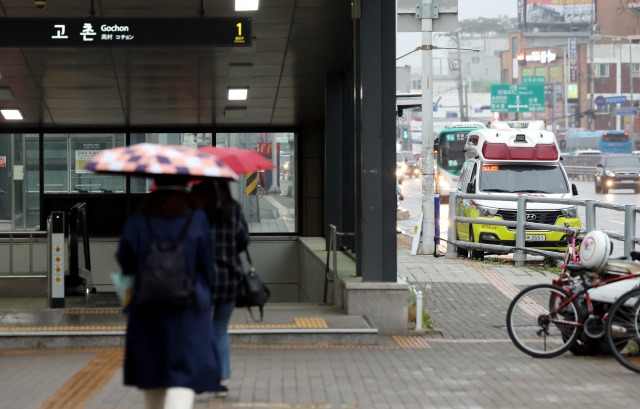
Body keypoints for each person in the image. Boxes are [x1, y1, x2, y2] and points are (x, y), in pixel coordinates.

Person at [116, 174, 223, 409]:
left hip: (147, 307)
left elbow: (125, 261)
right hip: (189, 310)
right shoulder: (197, 219)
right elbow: (207, 265)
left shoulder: (139, 218)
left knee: (153, 374)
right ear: (186, 184)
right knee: (184, 375)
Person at [192, 179, 250, 398]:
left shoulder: (196, 211)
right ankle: (222, 380)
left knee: (200, 329)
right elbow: (244, 240)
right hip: (229, 279)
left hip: (202, 279)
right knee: (220, 330)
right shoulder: (233, 209)